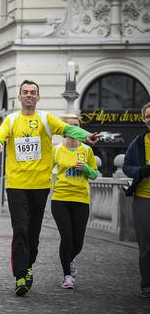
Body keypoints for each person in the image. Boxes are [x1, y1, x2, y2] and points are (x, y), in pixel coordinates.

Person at [0, 80, 99, 296]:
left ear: (38, 97)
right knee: (20, 228)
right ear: (19, 97)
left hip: (40, 186)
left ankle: (28, 265)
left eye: (33, 92)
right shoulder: (11, 120)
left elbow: (68, 128)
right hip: (16, 185)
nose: (29, 95)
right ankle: (21, 275)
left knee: (33, 234)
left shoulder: (46, 119)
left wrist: (86, 135)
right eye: (25, 92)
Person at [51, 115, 99, 289]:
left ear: (81, 130)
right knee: (67, 237)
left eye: (76, 126)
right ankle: (67, 276)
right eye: (69, 126)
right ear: (65, 130)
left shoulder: (87, 150)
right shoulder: (56, 150)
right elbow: (44, 170)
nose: (73, 129)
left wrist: (85, 168)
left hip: (81, 199)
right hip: (60, 199)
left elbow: (95, 174)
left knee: (78, 241)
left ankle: (69, 260)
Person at [123, 101, 150, 298]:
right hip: (143, 199)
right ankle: (147, 284)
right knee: (146, 245)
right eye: (148, 116)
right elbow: (126, 166)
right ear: (143, 119)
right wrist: (140, 170)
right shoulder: (138, 142)